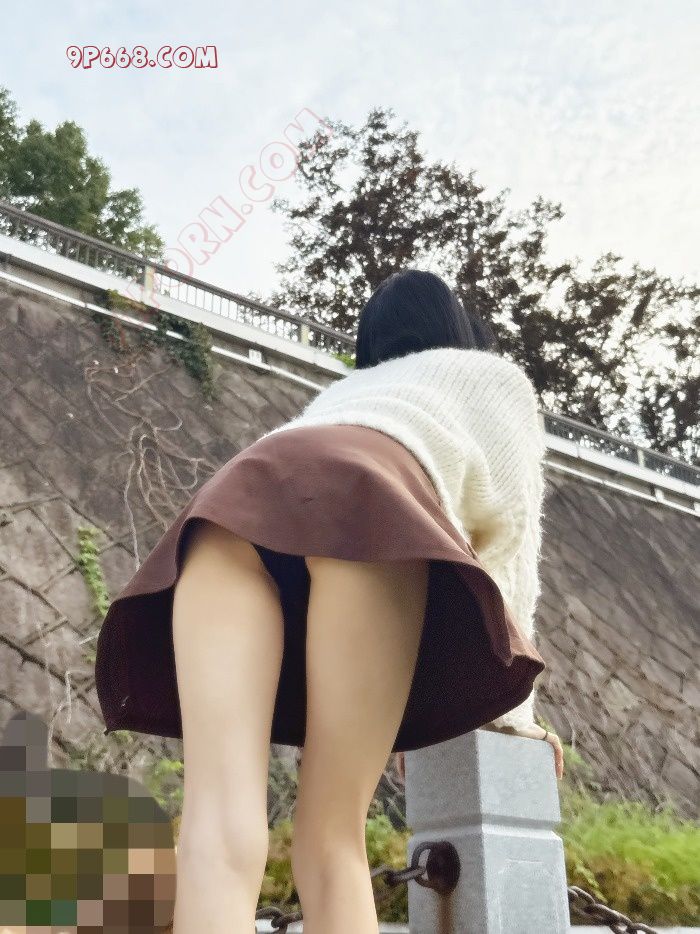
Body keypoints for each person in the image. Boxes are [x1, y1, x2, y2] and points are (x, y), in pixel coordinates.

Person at [94, 268, 563, 934]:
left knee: (213, 831)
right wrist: (507, 715)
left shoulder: (346, 392)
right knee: (330, 836)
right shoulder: (495, 380)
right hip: (362, 501)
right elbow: (511, 549)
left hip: (228, 507)